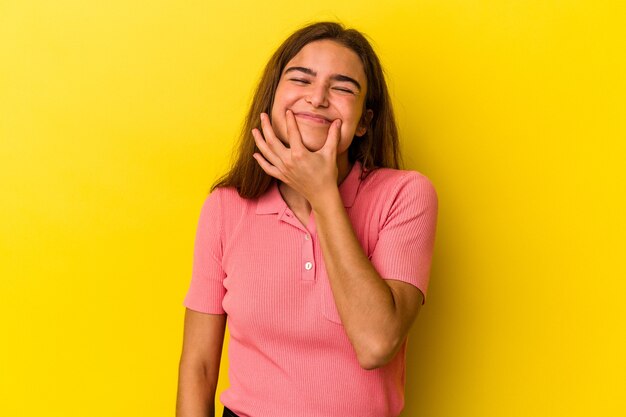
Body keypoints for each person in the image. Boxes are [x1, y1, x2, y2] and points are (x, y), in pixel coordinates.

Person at [176, 21, 438, 417]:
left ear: (364, 122)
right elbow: (198, 367)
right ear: (273, 98)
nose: (317, 99)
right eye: (301, 79)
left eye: (343, 87)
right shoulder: (225, 207)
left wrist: (323, 194)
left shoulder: (405, 196)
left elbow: (376, 343)